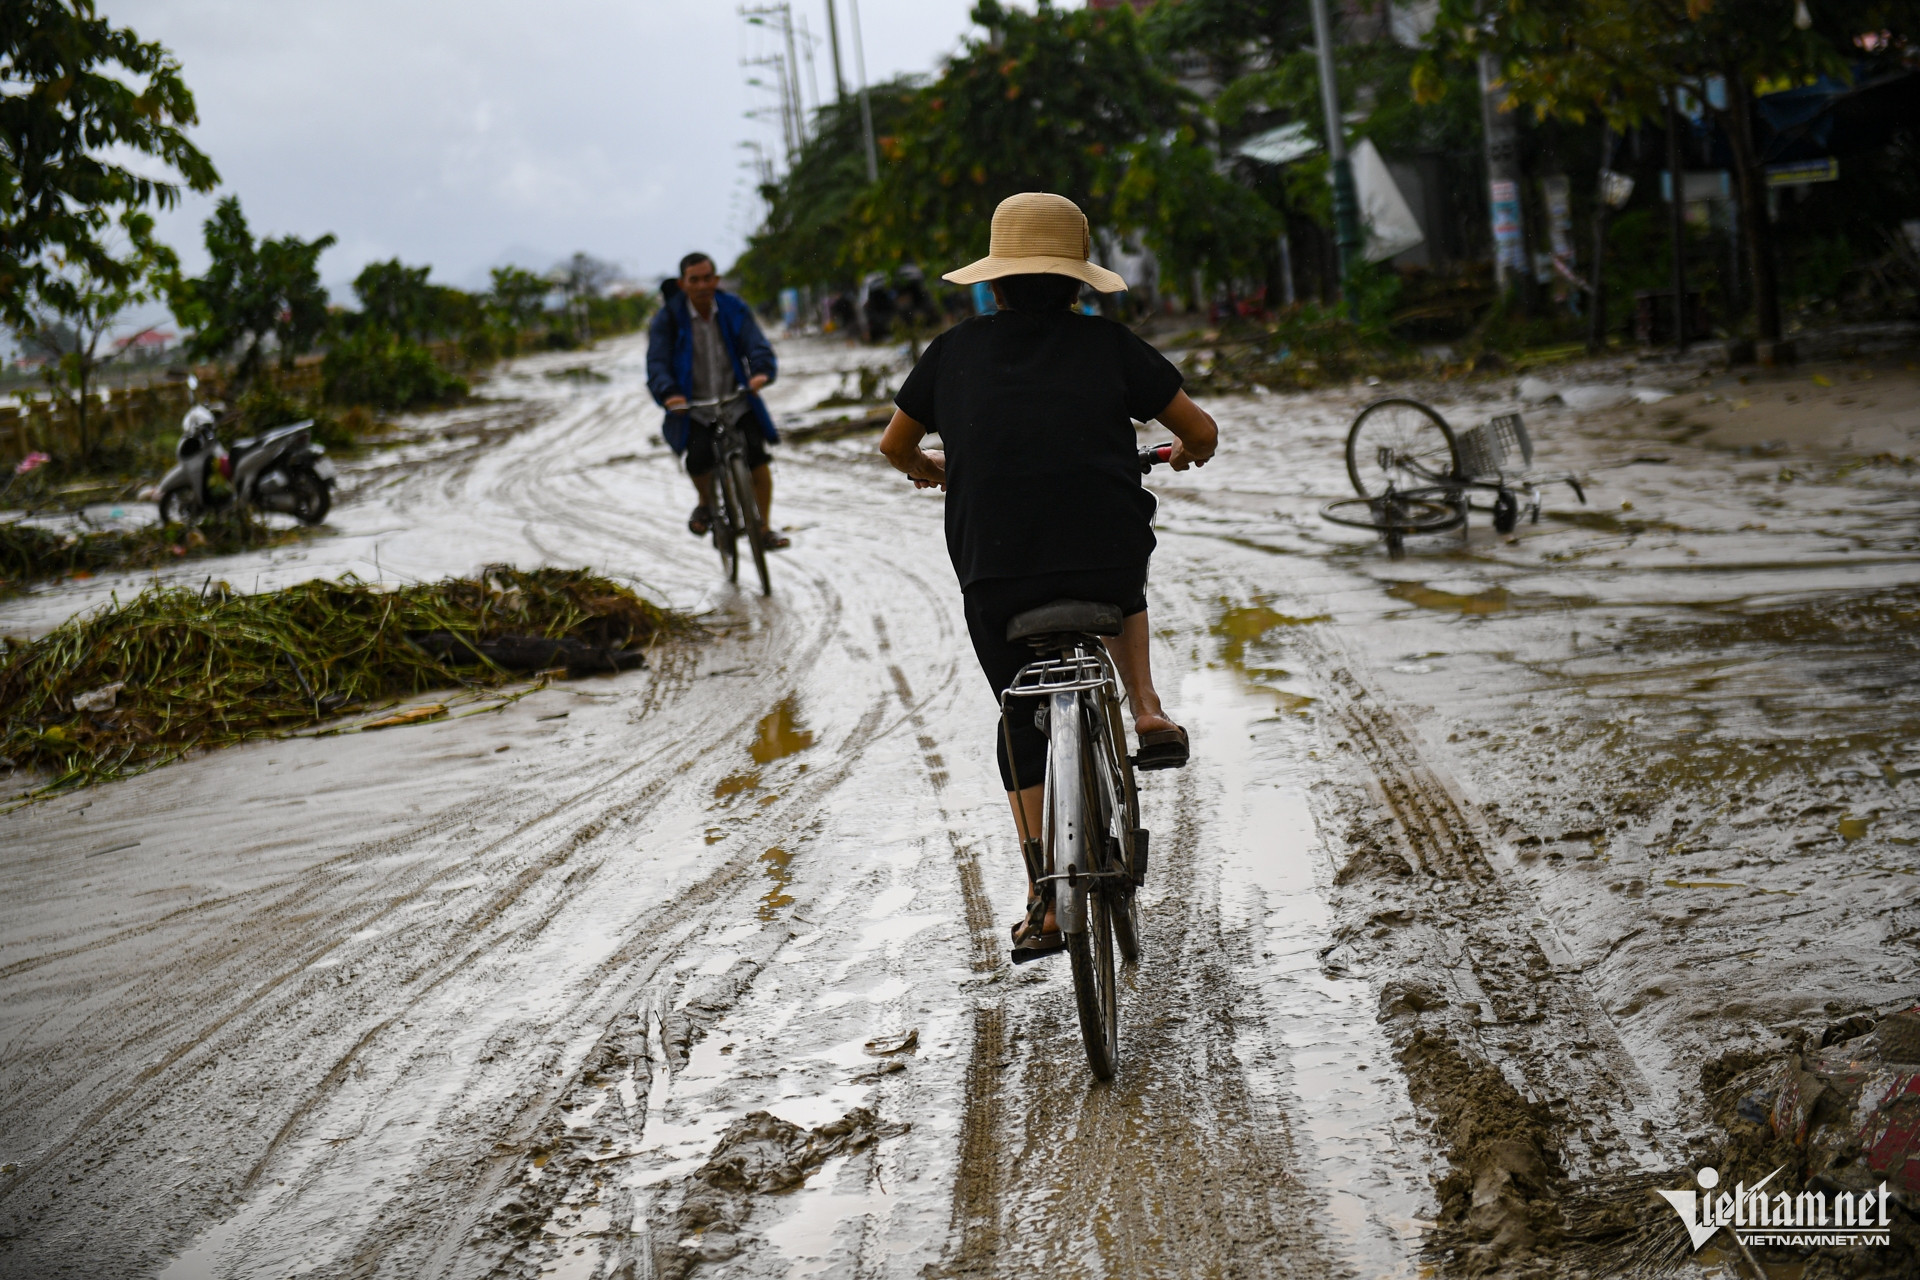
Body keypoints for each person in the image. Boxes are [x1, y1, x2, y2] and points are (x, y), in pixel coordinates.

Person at [878, 191, 1218, 956]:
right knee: (1120, 548)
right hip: (1102, 557)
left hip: (994, 574)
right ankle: (1149, 709)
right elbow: (1199, 430)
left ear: (992, 284)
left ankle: (1046, 897)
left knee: (1017, 714)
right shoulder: (1111, 346)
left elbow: (892, 447)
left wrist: (931, 469)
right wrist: (1188, 455)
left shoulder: (950, 352)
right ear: (1078, 281)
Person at [647, 252, 789, 548]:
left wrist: (760, 372)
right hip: (693, 407)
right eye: (694, 280)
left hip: (735, 398)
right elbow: (657, 363)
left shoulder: (733, 308)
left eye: (707, 278)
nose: (702, 285)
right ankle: (706, 502)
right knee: (698, 459)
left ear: (717, 279)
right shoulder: (668, 318)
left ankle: (762, 529)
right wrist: (669, 393)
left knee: (757, 457)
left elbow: (756, 343)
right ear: (682, 284)